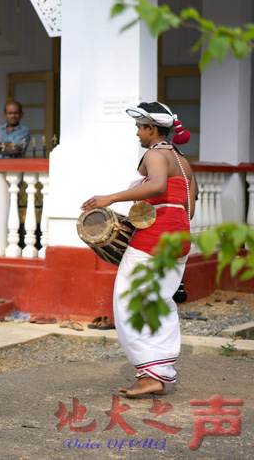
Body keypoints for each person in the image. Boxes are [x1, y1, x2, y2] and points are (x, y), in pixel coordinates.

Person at [81, 101, 196, 397]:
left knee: (128, 300)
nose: (137, 134)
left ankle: (150, 373)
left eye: (139, 128)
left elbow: (157, 186)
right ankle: (161, 370)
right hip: (179, 232)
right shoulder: (183, 162)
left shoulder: (156, 154)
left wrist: (111, 198)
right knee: (160, 299)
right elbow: (190, 207)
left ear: (151, 128)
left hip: (155, 235)